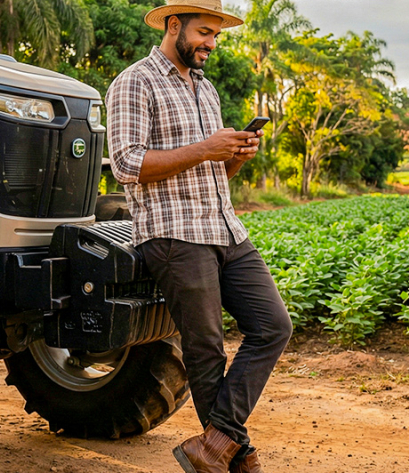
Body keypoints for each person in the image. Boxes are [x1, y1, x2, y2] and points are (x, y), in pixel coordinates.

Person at [106, 1, 292, 471]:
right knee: (206, 347)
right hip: (173, 233)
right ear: (175, 26)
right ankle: (234, 456)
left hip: (224, 227)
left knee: (273, 325)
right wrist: (208, 147)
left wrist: (233, 158)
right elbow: (127, 164)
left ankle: (216, 444)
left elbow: (209, 171)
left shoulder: (205, 88)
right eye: (204, 32)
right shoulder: (135, 81)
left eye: (216, 35)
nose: (211, 43)